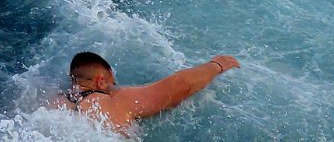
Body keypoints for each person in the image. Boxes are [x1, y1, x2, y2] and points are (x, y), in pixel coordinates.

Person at [46, 50, 239, 133]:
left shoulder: (52, 103)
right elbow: (182, 84)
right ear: (101, 81)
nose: (115, 88)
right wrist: (217, 65)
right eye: (113, 83)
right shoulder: (117, 101)